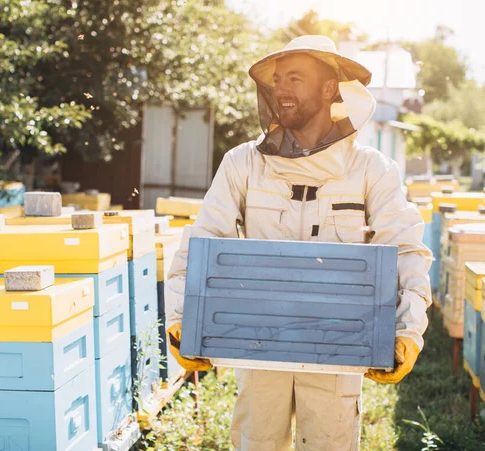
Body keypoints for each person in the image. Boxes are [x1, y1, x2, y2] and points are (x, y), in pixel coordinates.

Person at [164, 35, 432, 450]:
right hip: (256, 343)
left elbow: (407, 249)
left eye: (295, 78)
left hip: (339, 347)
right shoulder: (243, 163)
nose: (281, 89)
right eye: (277, 80)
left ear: (330, 89)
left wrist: (408, 329)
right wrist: (181, 315)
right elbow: (202, 238)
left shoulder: (371, 170)